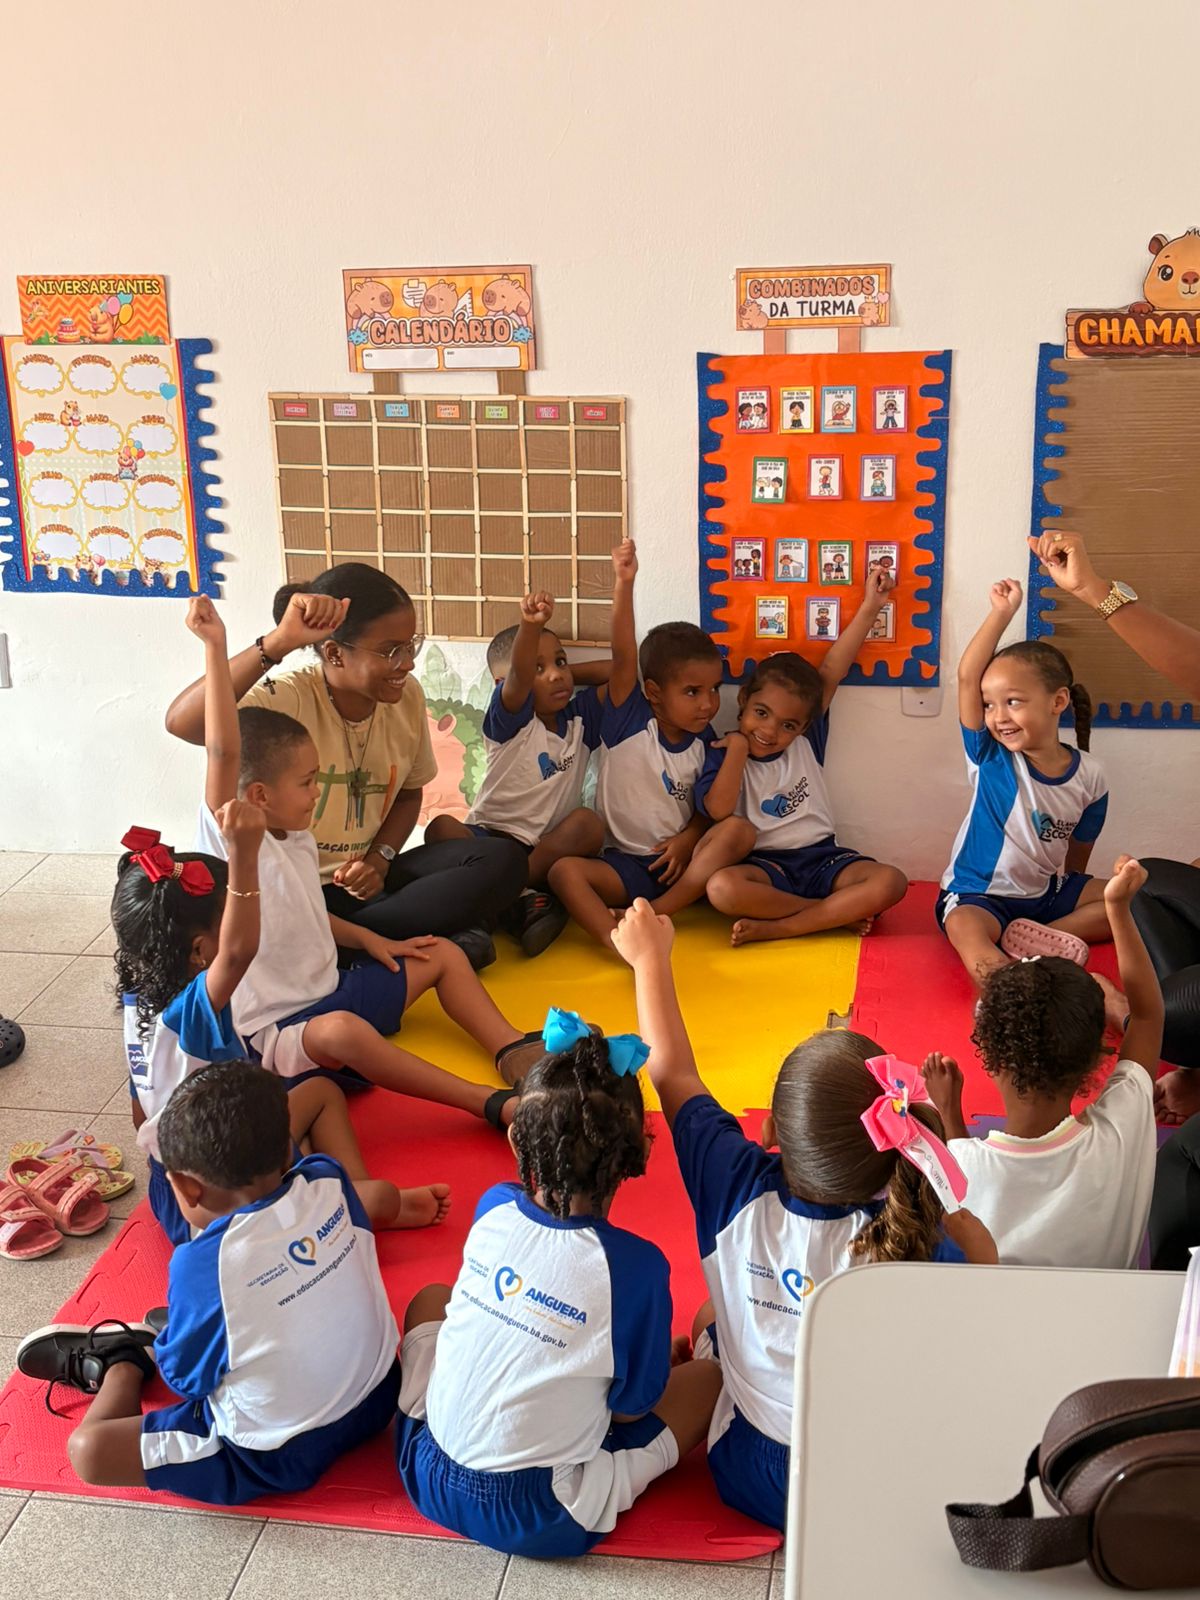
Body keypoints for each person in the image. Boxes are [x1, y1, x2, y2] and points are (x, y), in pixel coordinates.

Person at [610, 899, 993, 1534]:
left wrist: (649, 959)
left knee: (708, 1315)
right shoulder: (918, 1232)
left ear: (771, 1136)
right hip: (875, 1481)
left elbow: (672, 1071)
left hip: (751, 1473)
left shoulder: (734, 1186)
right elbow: (984, 1275)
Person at [183, 596, 542, 1127]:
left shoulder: (298, 837)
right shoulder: (235, 836)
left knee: (442, 954)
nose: (317, 792)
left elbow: (308, 912)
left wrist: (372, 941)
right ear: (258, 795)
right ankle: (488, 1103)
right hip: (284, 1032)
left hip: (333, 991)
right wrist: (215, 645)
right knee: (343, 1033)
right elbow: (221, 749)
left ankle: (513, 1049)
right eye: (307, 782)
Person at [393, 1011, 722, 1558]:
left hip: (424, 1467)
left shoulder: (493, 1206)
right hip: (541, 1512)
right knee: (709, 1379)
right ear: (639, 1153)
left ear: (517, 1141)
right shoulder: (636, 1267)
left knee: (431, 1298)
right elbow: (629, 1410)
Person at [17, 1064, 403, 1505]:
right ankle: (204, 1331)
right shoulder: (327, 1177)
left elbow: (185, 1382)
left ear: (185, 1187)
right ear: (287, 1151)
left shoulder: (202, 1264)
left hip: (273, 1454)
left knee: (89, 1452)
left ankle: (124, 1360)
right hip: (379, 1397)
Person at [165, 562, 527, 970]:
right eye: (391, 651)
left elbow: (409, 795)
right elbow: (184, 724)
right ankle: (409, 938)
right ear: (335, 653)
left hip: (365, 884)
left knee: (503, 860)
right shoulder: (286, 697)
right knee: (296, 926)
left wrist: (379, 859)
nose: (407, 663)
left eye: (411, 646)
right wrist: (278, 643)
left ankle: (375, 943)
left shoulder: (406, 695)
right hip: (295, 893)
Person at [925, 856, 1162, 1269]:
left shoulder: (962, 1164)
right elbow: (1146, 1016)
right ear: (1095, 1059)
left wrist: (948, 1112)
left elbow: (960, 1181)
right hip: (1112, 1306)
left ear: (990, 1059)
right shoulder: (1123, 1129)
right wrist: (1118, 910)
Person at [664, 573, 907, 942]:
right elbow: (718, 810)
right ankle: (829, 914)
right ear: (743, 700)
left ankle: (780, 927)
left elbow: (832, 669)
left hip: (823, 859)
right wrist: (739, 751)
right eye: (761, 713)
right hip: (765, 868)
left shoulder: (805, 742)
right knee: (721, 889)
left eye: (788, 725)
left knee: (891, 881)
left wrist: (871, 606)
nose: (770, 731)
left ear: (803, 726)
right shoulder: (724, 751)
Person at [423, 554, 628, 956]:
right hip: (489, 841)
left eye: (561, 662)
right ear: (503, 684)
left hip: (541, 852)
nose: (556, 673)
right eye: (539, 668)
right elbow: (516, 680)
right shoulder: (510, 722)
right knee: (441, 828)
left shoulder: (580, 720)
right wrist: (530, 628)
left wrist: (566, 675)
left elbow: (621, 671)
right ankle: (517, 903)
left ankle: (498, 900)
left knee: (588, 823)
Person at [938, 578, 1121, 1016]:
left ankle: (1042, 939)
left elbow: (1081, 845)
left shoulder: (1091, 774)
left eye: (1013, 701)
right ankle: (1012, 991)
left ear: (1058, 702)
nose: (998, 716)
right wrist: (1002, 612)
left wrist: (1074, 888)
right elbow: (967, 677)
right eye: (989, 705)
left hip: (1042, 897)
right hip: (979, 896)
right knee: (964, 927)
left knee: (1130, 900)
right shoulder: (990, 757)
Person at [549, 546, 726, 946]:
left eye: (714, 689)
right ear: (654, 692)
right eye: (693, 691)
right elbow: (624, 653)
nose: (709, 703)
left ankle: (663, 909)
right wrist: (624, 582)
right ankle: (617, 942)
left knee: (735, 833)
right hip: (623, 867)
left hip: (679, 869)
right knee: (564, 872)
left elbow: (709, 809)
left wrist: (688, 840)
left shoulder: (708, 741)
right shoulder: (626, 717)